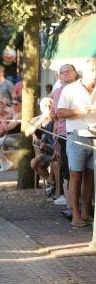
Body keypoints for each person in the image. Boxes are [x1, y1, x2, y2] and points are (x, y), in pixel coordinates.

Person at [57, 61, 95, 227]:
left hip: (94, 138)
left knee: (90, 177)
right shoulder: (70, 89)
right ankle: (75, 215)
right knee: (75, 176)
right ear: (85, 72)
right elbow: (59, 113)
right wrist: (79, 111)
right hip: (77, 136)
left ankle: (86, 213)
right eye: (93, 71)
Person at [50, 64, 78, 215]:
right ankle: (70, 206)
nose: (66, 74)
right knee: (68, 171)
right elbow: (55, 115)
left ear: (75, 73)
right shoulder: (57, 92)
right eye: (63, 72)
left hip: (83, 133)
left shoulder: (84, 90)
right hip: (64, 134)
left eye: (69, 71)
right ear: (59, 76)